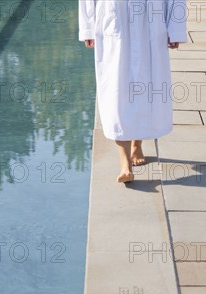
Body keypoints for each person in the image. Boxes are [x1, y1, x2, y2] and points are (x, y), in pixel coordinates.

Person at [79, 0, 187, 183]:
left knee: (145, 89)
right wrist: (88, 27)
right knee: (116, 93)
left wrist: (175, 28)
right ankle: (124, 164)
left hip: (150, 23)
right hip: (114, 20)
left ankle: (137, 144)